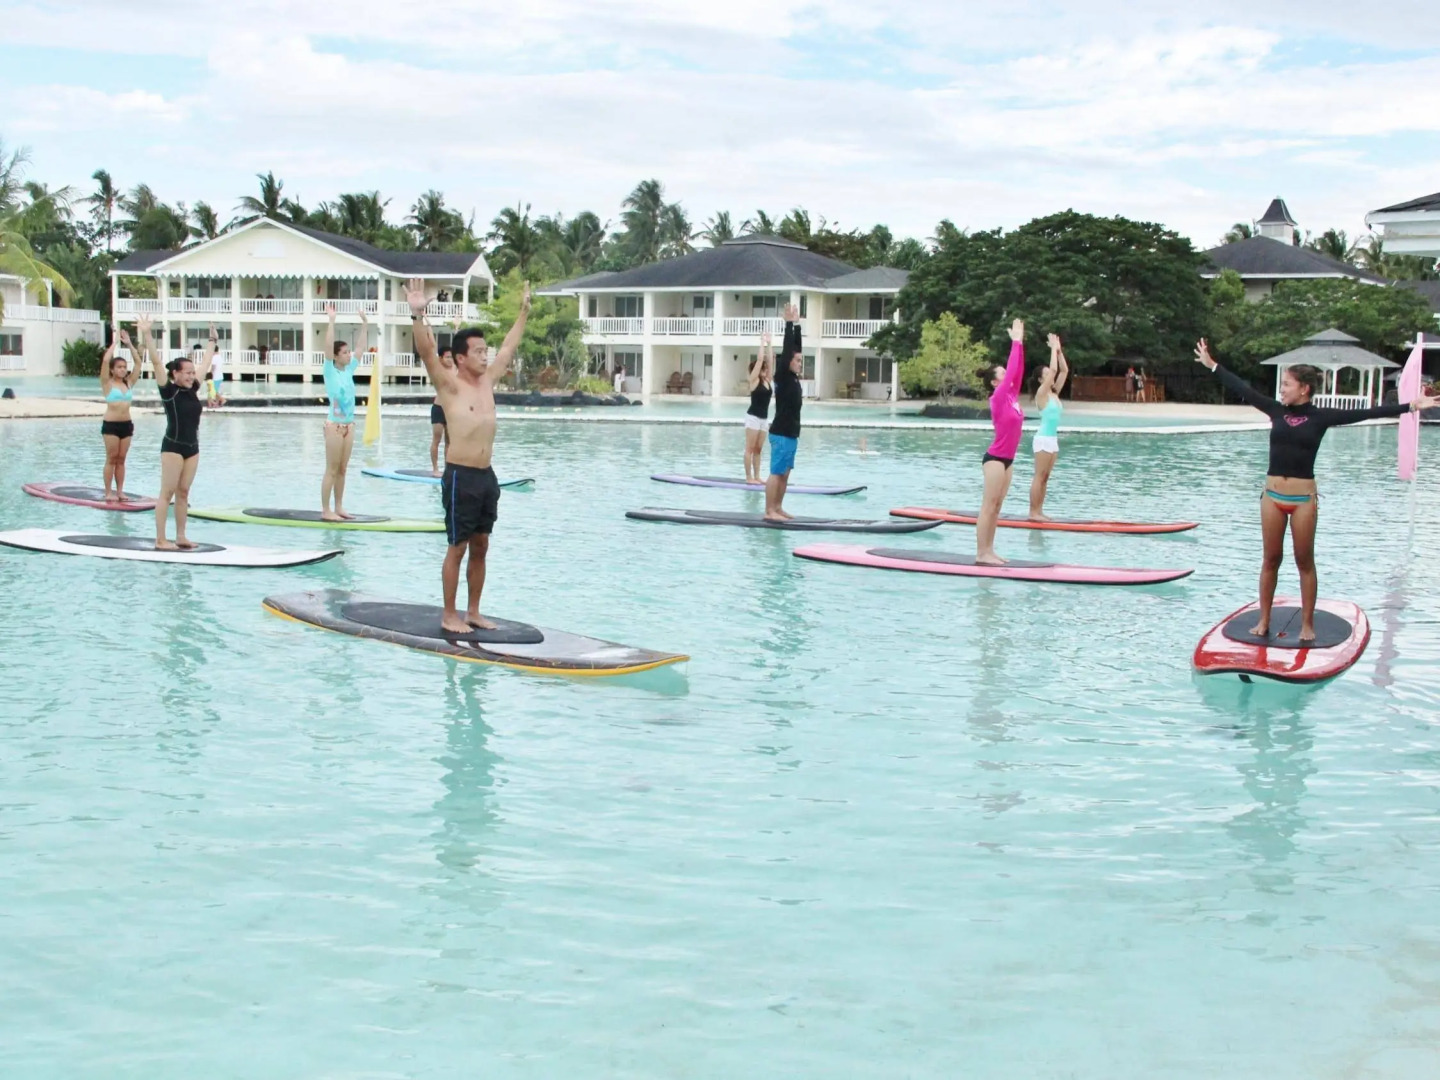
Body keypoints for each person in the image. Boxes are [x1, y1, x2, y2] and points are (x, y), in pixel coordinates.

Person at [1195, 339, 1438, 641]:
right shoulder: (1275, 410)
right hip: (1272, 497)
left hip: (1303, 500)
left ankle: (1307, 624)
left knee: (1303, 561)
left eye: (1286, 384)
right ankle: (1264, 620)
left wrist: (1412, 405)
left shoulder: (1320, 417)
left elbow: (1370, 413)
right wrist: (1213, 365)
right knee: (1270, 559)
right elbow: (1243, 389)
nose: (1281, 389)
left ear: (1304, 388)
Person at [407, 276, 530, 634]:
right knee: (457, 548)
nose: (485, 355)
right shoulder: (450, 385)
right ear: (460, 358)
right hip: (460, 475)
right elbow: (428, 353)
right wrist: (417, 316)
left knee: (481, 546)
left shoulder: (488, 381)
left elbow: (508, 347)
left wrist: (523, 313)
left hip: (486, 476)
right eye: (478, 351)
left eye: (485, 350)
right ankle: (449, 614)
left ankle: (473, 611)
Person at [152, 325, 214, 549]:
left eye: (192, 372)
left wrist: (212, 342)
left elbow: (205, 364)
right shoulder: (169, 391)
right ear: (175, 374)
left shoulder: (192, 389)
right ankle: (160, 539)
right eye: (187, 372)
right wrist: (148, 335)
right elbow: (157, 363)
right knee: (167, 492)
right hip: (173, 447)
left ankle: (180, 536)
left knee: (184, 493)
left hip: (192, 448)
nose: (191, 375)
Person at [975, 318, 1027, 565]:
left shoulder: (1012, 397)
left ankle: (990, 551)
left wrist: (1021, 345)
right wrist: (1015, 343)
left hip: (1009, 461)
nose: (1008, 376)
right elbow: (1011, 373)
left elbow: (1018, 371)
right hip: (995, 459)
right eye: (1002, 374)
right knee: (988, 506)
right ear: (995, 382)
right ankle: (981, 554)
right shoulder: (997, 397)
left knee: (997, 508)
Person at [321, 303, 364, 521]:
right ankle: (326, 510)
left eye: (348, 352)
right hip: (334, 426)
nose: (349, 355)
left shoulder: (348, 370)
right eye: (345, 353)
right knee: (331, 468)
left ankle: (339, 507)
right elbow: (328, 349)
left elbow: (361, 350)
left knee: (343, 469)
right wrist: (331, 321)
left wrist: (365, 325)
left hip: (349, 425)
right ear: (336, 356)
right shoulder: (330, 370)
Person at [764, 304, 802, 521]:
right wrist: (788, 325)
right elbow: (789, 349)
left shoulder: (794, 377)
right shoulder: (783, 375)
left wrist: (797, 326)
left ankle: (778, 508)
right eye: (796, 361)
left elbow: (796, 348)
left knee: (785, 474)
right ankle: (769, 511)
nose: (799, 363)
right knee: (776, 473)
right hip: (780, 432)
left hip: (791, 433)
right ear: (788, 362)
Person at [99, 320, 143, 502]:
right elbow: (105, 359)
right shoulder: (107, 384)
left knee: (122, 459)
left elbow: (139, 363)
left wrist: (129, 344)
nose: (123, 370)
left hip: (127, 425)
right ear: (112, 369)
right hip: (111, 425)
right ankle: (108, 491)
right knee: (112, 458)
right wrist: (115, 342)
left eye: (124, 367)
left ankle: (120, 491)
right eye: (119, 367)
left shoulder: (128, 382)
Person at [1028, 332, 1068, 522]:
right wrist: (1051, 349)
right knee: (1039, 476)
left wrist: (1059, 351)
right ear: (1040, 380)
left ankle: (1039, 511)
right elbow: (1053, 371)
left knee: (1045, 478)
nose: (1049, 375)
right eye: (1045, 375)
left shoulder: (1054, 393)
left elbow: (1063, 371)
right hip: (1043, 439)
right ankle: (1033, 512)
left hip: (1052, 440)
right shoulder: (1042, 393)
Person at [744, 329, 773, 484]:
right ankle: (749, 477)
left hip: (763, 419)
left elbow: (770, 360)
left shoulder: (768, 380)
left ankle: (757, 477)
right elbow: (761, 359)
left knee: (758, 450)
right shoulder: (754, 380)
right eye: (762, 367)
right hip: (753, 417)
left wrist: (770, 343)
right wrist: (762, 342)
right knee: (750, 448)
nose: (765, 369)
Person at [430, 337, 456, 477]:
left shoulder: (455, 368)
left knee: (450, 441)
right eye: (447, 357)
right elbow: (432, 347)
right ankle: (435, 468)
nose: (450, 360)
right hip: (439, 408)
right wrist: (427, 327)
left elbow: (459, 347)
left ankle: (448, 469)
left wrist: (457, 327)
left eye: (451, 357)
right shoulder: (438, 368)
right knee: (437, 439)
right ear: (440, 358)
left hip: (451, 411)